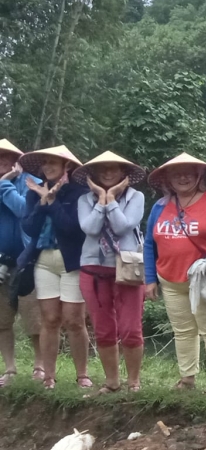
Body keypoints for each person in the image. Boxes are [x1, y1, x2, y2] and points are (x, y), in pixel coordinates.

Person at [144, 153, 206, 394]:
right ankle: (187, 378)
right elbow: (150, 243)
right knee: (183, 330)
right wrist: (150, 278)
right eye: (177, 174)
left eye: (188, 173)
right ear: (168, 179)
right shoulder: (160, 206)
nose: (182, 178)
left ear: (199, 176)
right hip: (170, 279)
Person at [75, 151, 147, 393]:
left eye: (113, 168)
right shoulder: (85, 200)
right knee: (103, 329)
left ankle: (134, 381)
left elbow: (122, 226)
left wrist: (112, 198)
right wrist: (101, 200)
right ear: (94, 174)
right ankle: (112, 381)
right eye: (102, 169)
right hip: (93, 269)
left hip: (127, 267)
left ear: (123, 172)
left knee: (131, 328)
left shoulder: (136, 197)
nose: (107, 173)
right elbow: (90, 228)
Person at [19, 146, 89, 390]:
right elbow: (29, 227)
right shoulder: (34, 192)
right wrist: (42, 201)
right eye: (45, 163)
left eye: (53, 163)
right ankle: (49, 376)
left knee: (74, 320)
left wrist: (52, 201)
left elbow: (72, 228)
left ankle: (82, 375)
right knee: (49, 319)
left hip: (72, 261)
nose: (48, 167)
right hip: (43, 260)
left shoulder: (80, 193)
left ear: (66, 166)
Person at [0, 139, 40, 387]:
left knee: (34, 316)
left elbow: (24, 210)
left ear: (17, 160)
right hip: (1, 261)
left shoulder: (31, 182)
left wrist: (5, 184)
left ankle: (39, 367)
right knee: (2, 319)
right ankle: (10, 369)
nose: (2, 161)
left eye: (6, 157)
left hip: (28, 259)